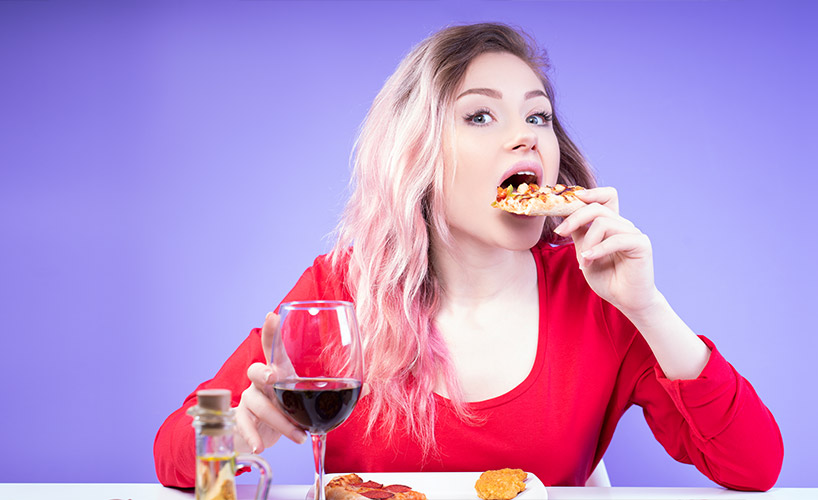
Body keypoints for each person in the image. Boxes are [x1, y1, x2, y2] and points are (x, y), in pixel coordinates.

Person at [154, 22, 783, 491]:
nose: (525, 135)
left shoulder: (600, 298)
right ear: (417, 158)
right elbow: (177, 445)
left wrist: (649, 307)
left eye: (539, 116)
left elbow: (753, 468)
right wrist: (231, 438)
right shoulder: (341, 289)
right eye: (480, 115)